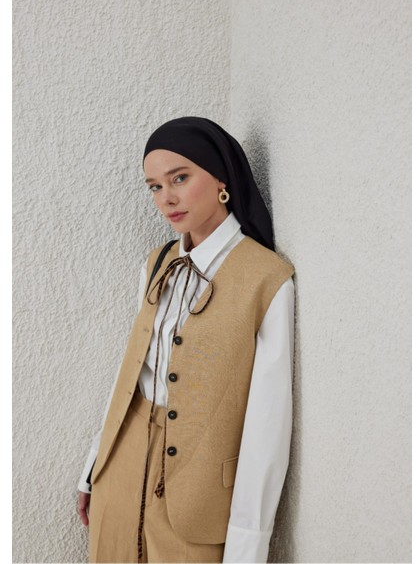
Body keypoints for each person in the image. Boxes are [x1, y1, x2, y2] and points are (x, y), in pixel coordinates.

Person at [77, 116, 295, 563]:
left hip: (200, 500)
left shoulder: (266, 278)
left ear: (221, 178)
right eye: (155, 187)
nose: (167, 198)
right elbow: (131, 373)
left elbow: (268, 425)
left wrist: (247, 547)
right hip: (119, 474)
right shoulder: (157, 263)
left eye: (180, 178)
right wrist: (93, 466)